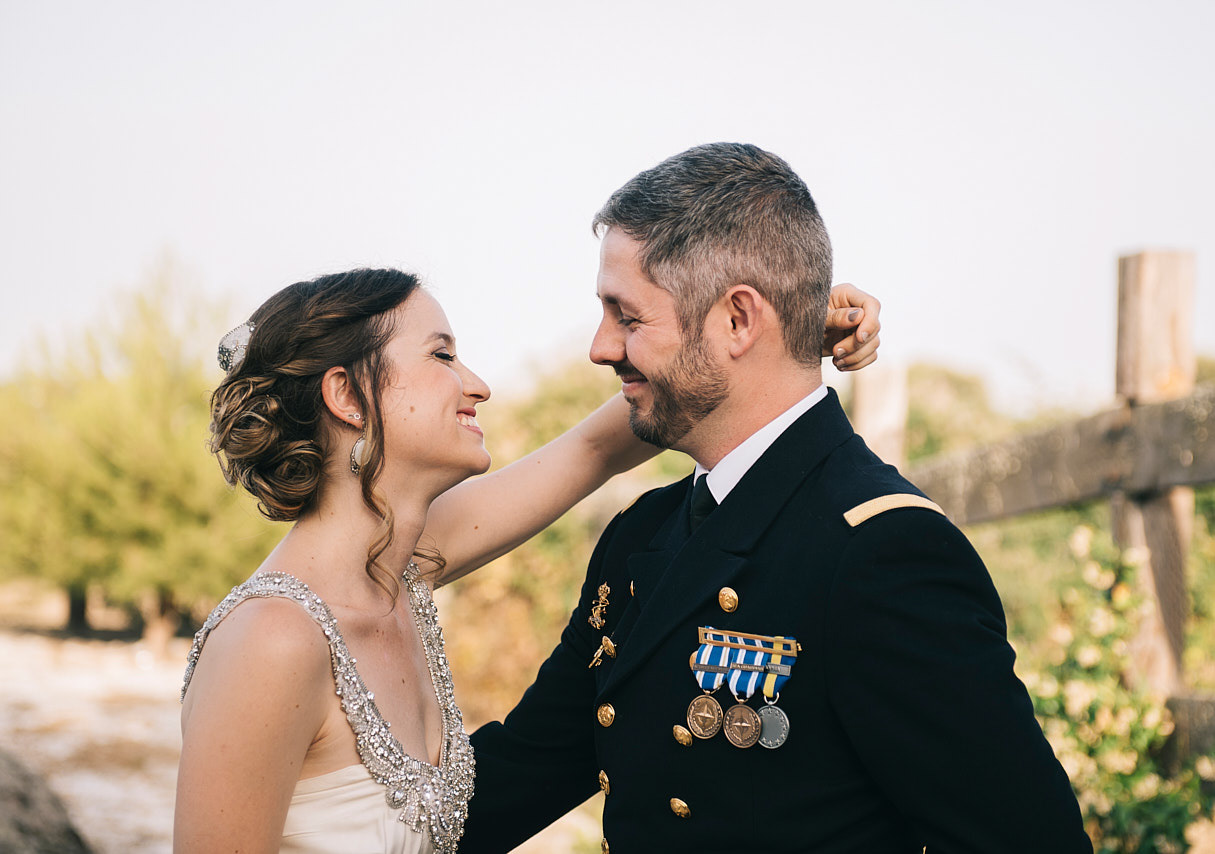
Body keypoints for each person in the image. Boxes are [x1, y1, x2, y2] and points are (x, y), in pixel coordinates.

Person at [460, 144, 1093, 853]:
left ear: (738, 320)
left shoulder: (882, 552)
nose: (600, 347)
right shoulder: (641, 533)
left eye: (627, 317)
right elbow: (522, 771)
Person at [173, 267, 882, 853]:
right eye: (442, 356)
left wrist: (770, 337)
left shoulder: (399, 570)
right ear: (347, 395)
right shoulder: (272, 639)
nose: (477, 384)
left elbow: (592, 450)